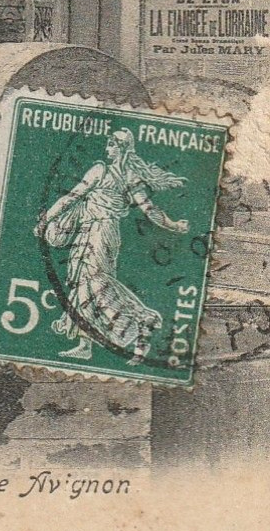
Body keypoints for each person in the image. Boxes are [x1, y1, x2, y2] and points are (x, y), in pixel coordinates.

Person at [33, 127, 189, 363]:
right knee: (83, 285)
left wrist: (45, 221)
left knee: (95, 284)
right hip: (99, 233)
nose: (107, 148)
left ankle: (142, 320)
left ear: (121, 149)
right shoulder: (129, 178)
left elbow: (70, 197)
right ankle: (86, 344)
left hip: (99, 233)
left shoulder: (101, 170)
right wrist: (175, 225)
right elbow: (151, 211)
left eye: (111, 144)